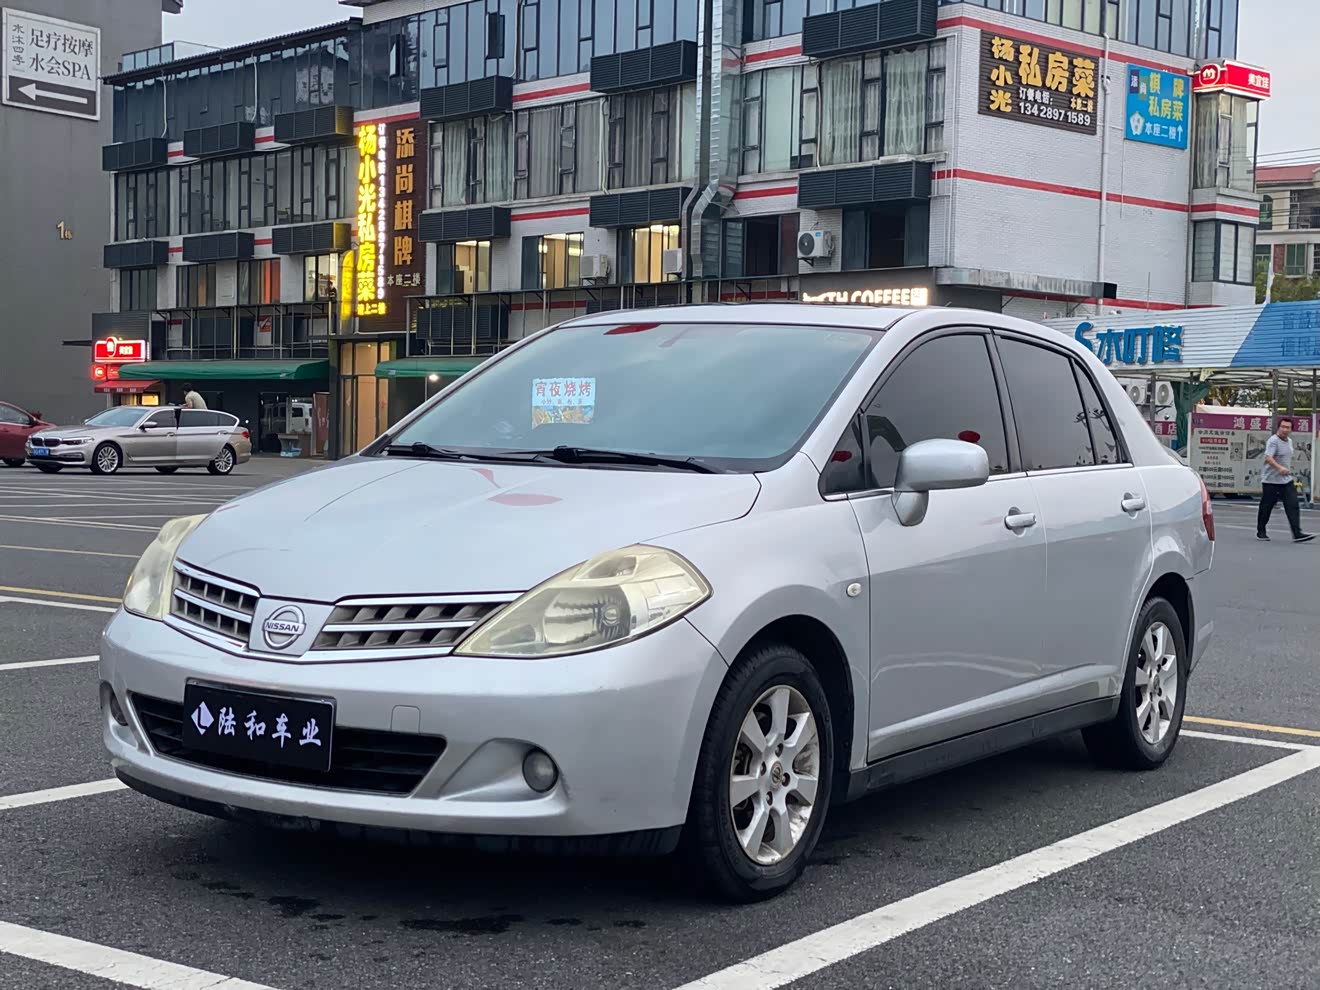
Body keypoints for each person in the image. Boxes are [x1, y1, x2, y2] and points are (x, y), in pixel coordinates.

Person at [1257, 418, 1314, 543]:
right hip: (1271, 481)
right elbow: (1268, 458)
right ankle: (1261, 530)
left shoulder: (1289, 441)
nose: (1285, 429)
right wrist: (1279, 468)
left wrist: (1285, 469)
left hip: (1286, 481)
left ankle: (1297, 533)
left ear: (1291, 430)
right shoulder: (1273, 441)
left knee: (1293, 505)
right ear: (1279, 428)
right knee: (1266, 506)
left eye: (1288, 427)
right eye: (1283, 427)